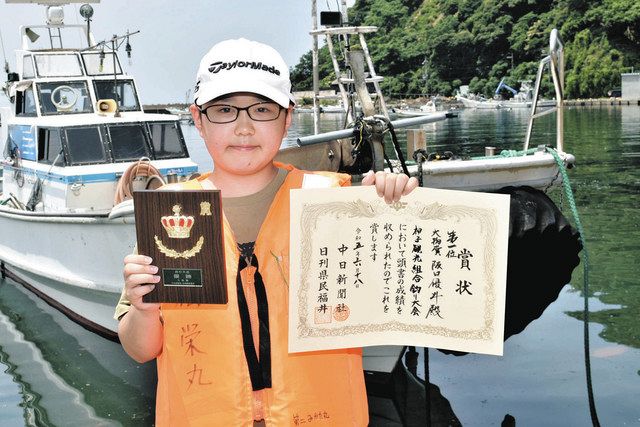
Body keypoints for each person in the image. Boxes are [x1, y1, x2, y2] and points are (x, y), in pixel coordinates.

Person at [115, 38, 418, 427]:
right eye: (224, 110)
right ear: (198, 118)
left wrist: (394, 209)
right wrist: (144, 306)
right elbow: (140, 349)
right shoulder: (169, 214)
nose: (243, 127)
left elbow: (396, 293)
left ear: (287, 117)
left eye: (261, 109)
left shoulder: (337, 203)